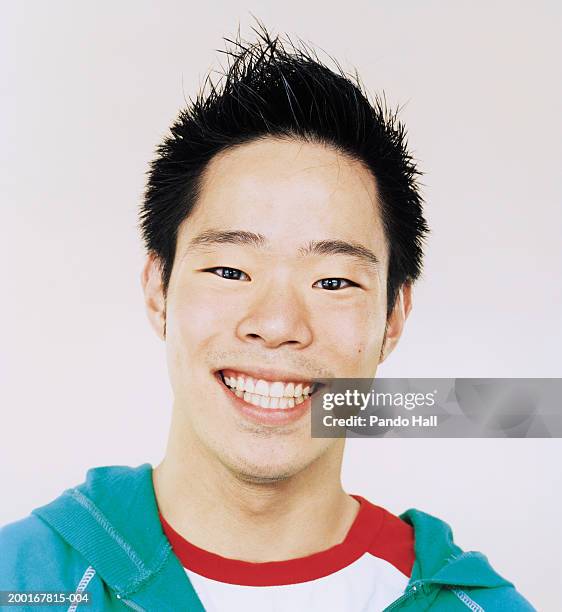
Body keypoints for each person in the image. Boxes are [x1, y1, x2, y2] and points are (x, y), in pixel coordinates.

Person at [0, 27, 534, 611]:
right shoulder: (22, 582)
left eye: (333, 281)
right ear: (158, 288)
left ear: (394, 318)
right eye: (230, 271)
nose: (277, 324)